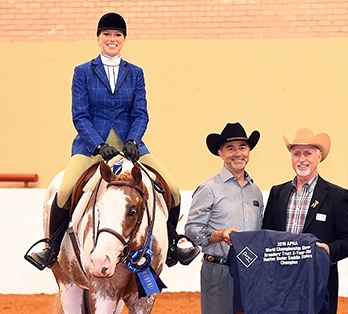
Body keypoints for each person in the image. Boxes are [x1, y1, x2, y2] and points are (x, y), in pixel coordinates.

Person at [25, 12, 199, 270]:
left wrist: (132, 140)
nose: (112, 38)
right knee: (64, 192)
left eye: (117, 34)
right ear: (98, 38)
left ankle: (173, 243)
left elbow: (141, 113)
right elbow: (80, 115)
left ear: (124, 39)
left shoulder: (136, 73)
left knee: (172, 187)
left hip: (131, 146)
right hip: (91, 146)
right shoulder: (83, 72)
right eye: (107, 34)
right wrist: (98, 146)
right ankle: (51, 245)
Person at [262, 127, 348, 314]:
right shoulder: (277, 193)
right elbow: (266, 235)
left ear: (319, 157)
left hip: (318, 283)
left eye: (308, 153)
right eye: (296, 154)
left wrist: (328, 250)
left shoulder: (337, 196)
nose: (301, 159)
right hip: (281, 284)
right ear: (291, 157)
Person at [185, 122, 264, 314]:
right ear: (221, 153)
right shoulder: (208, 189)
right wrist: (220, 234)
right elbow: (192, 231)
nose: (238, 153)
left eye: (242, 147)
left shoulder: (256, 191)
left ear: (249, 151)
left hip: (251, 271)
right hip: (219, 271)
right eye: (230, 148)